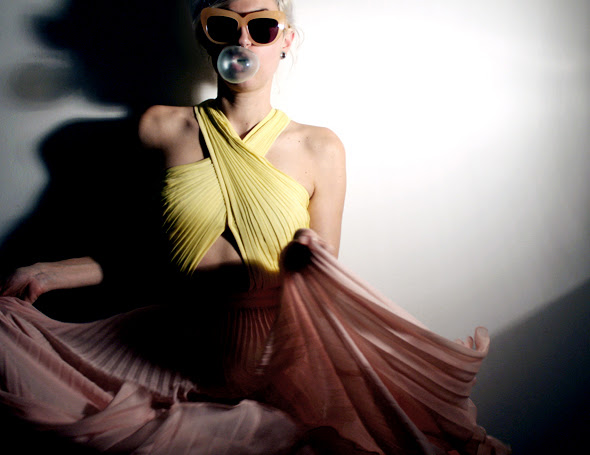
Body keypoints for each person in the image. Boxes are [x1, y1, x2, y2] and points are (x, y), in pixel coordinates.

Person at [0, 0, 511, 453]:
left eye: (262, 27)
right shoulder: (160, 128)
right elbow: (150, 254)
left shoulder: (319, 147)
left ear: (285, 40)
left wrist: (309, 259)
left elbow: (324, 285)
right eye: (225, 25)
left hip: (281, 374)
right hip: (171, 360)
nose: (242, 41)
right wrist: (50, 272)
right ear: (205, 36)